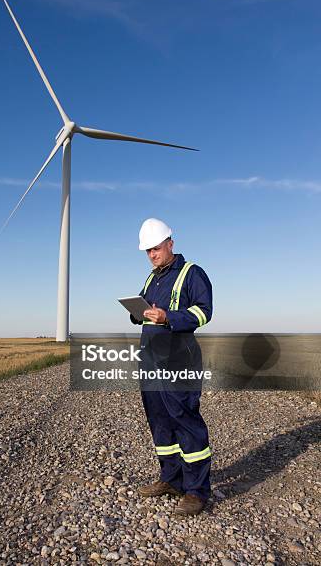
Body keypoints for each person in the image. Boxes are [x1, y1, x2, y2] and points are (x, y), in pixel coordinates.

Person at [131, 218, 213, 516]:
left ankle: (196, 491)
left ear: (170, 243)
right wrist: (137, 313)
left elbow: (204, 312)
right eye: (147, 251)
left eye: (155, 249)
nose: (152, 255)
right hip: (151, 359)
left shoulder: (192, 273)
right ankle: (171, 479)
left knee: (184, 420)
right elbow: (147, 310)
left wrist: (169, 318)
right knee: (160, 420)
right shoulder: (153, 277)